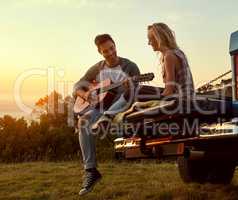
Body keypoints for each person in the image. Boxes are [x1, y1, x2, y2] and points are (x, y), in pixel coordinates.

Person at [73, 34, 140, 196]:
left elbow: (134, 94)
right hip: (100, 108)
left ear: (115, 45)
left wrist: (128, 86)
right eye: (105, 51)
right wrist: (86, 95)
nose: (110, 53)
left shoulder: (130, 67)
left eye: (112, 48)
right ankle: (91, 171)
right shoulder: (98, 68)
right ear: (100, 52)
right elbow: (77, 86)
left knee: (126, 98)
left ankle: (108, 120)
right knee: (83, 122)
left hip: (121, 108)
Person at [147, 23, 194, 98]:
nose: (149, 43)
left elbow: (169, 91)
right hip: (187, 97)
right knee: (142, 90)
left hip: (181, 101)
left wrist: (153, 100)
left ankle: (121, 109)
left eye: (150, 39)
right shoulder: (178, 52)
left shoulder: (169, 56)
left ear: (158, 39)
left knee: (135, 91)